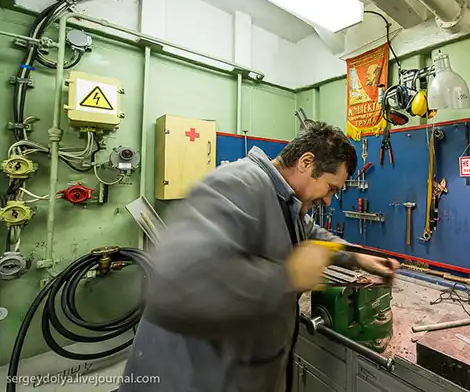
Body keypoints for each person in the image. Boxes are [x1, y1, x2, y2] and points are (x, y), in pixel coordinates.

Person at [120, 122, 400, 392]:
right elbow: (179, 280)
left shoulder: (287, 200)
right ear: (306, 162)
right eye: (331, 188)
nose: (328, 201)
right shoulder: (237, 184)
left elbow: (311, 231)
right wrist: (288, 276)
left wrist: (356, 257)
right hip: (196, 378)